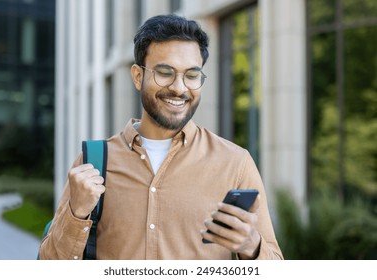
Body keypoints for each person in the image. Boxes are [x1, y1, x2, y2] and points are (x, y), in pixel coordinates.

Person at [39, 14, 283, 260]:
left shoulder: (235, 164)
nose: (179, 87)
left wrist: (252, 246)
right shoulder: (92, 163)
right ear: (137, 76)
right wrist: (76, 213)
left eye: (191, 75)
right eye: (165, 72)